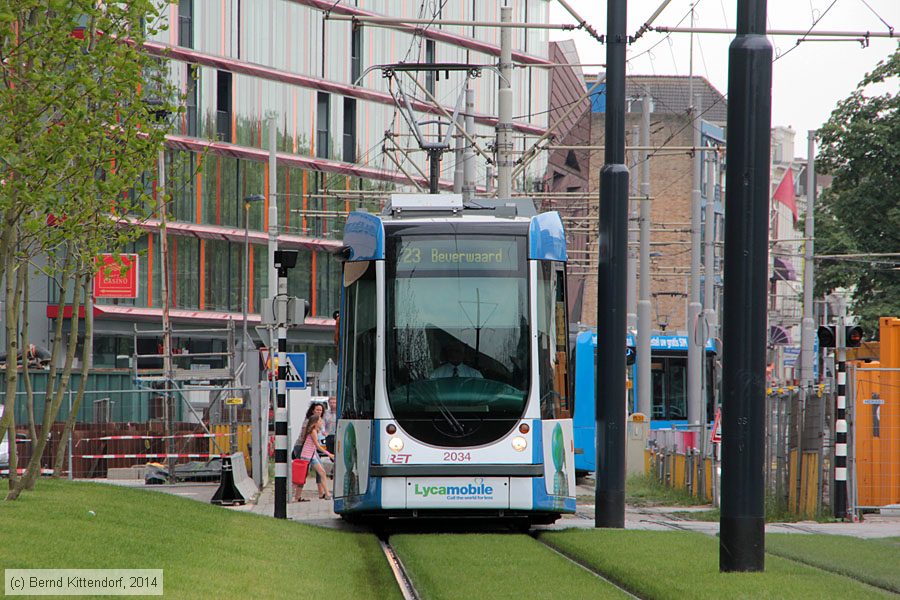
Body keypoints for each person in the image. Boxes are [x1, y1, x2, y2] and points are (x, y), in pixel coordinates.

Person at [296, 414, 334, 500]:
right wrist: (329, 454)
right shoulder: (313, 431)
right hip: (306, 456)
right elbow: (317, 446)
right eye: (320, 421)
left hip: (312, 455)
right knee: (302, 477)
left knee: (322, 472)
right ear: (315, 422)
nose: (322, 422)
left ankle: (327, 493)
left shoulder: (316, 431)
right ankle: (297, 496)